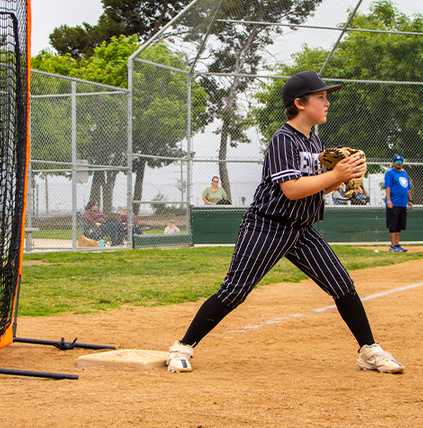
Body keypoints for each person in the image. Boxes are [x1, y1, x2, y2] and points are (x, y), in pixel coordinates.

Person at [166, 71, 403, 375]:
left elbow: (314, 187)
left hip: (301, 229)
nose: (327, 102)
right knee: (235, 291)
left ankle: (369, 351)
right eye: (321, 97)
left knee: (343, 285)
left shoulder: (313, 139)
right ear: (300, 103)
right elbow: (291, 189)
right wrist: (335, 175)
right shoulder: (283, 139)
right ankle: (182, 347)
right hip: (267, 226)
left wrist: (339, 180)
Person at [383, 155, 411, 253]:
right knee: (393, 224)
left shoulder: (404, 173)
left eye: (400, 161)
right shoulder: (390, 173)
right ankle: (393, 245)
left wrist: (410, 200)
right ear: (393, 162)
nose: (399, 163)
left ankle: (397, 244)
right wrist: (389, 200)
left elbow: (408, 188)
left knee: (399, 225)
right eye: (397, 161)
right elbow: (388, 187)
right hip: (394, 203)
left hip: (402, 203)